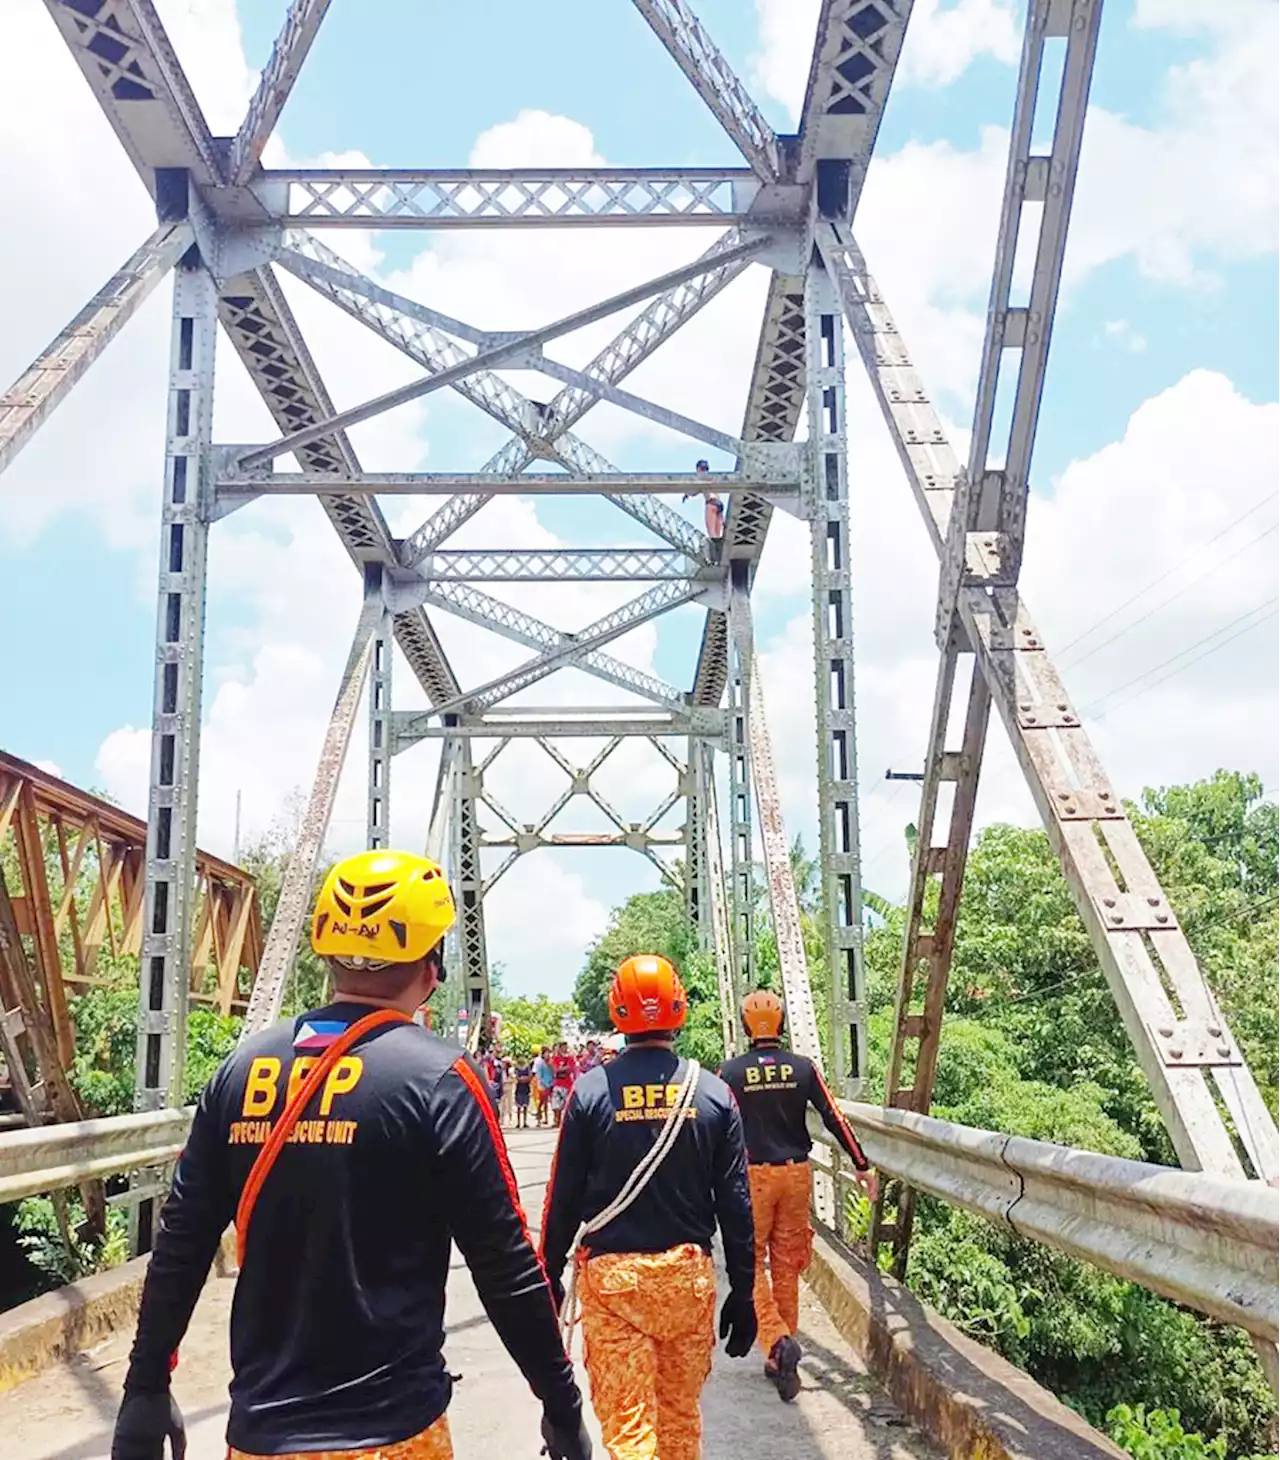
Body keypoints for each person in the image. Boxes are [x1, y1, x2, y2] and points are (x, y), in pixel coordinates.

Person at [109, 849, 590, 1460]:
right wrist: (561, 1403)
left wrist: (145, 1386)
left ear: (326, 951)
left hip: (259, 1440)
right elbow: (505, 1266)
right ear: (432, 964)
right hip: (394, 1437)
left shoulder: (240, 1071)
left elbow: (180, 1245)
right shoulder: (440, 1078)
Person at [540, 954, 757, 1460]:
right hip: (687, 1283)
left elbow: (562, 1199)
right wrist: (744, 1291)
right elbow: (736, 1205)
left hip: (614, 1287)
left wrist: (547, 1275)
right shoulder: (713, 1093)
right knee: (680, 1421)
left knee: (630, 1431)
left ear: (617, 1011)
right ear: (679, 1008)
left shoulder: (590, 1091)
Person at [719, 989, 876, 1404]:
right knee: (787, 1266)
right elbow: (833, 1116)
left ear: (747, 1025)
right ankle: (781, 1357)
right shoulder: (802, 1068)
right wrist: (861, 1164)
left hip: (752, 1179)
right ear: (783, 1022)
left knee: (750, 1266)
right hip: (796, 1176)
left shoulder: (731, 1073)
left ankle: (776, 1341)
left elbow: (715, 1129)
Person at [550, 1042, 576, 1128]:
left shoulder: (570, 1058)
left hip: (568, 1084)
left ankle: (565, 1121)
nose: (564, 1049)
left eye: (566, 1047)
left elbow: (570, 1069)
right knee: (556, 1105)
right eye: (562, 1047)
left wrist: (560, 1069)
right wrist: (563, 1069)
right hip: (558, 1084)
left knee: (567, 1105)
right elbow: (555, 1069)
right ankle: (556, 1120)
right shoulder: (555, 1058)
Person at [534, 1045, 555, 1127]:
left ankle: (546, 1118)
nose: (548, 1055)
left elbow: (553, 1072)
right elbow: (538, 1074)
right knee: (542, 1102)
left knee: (548, 1102)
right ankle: (539, 1118)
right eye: (546, 1053)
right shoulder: (539, 1062)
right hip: (542, 1084)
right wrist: (543, 1083)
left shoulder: (550, 1062)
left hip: (550, 1083)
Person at [514, 1056, 535, 1129]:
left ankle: (524, 1122)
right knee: (519, 1107)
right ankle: (519, 1122)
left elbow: (530, 1077)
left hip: (525, 1089)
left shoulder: (527, 1068)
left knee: (525, 1106)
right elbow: (518, 1078)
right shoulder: (517, 1069)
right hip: (520, 1089)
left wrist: (522, 1079)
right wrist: (524, 1079)